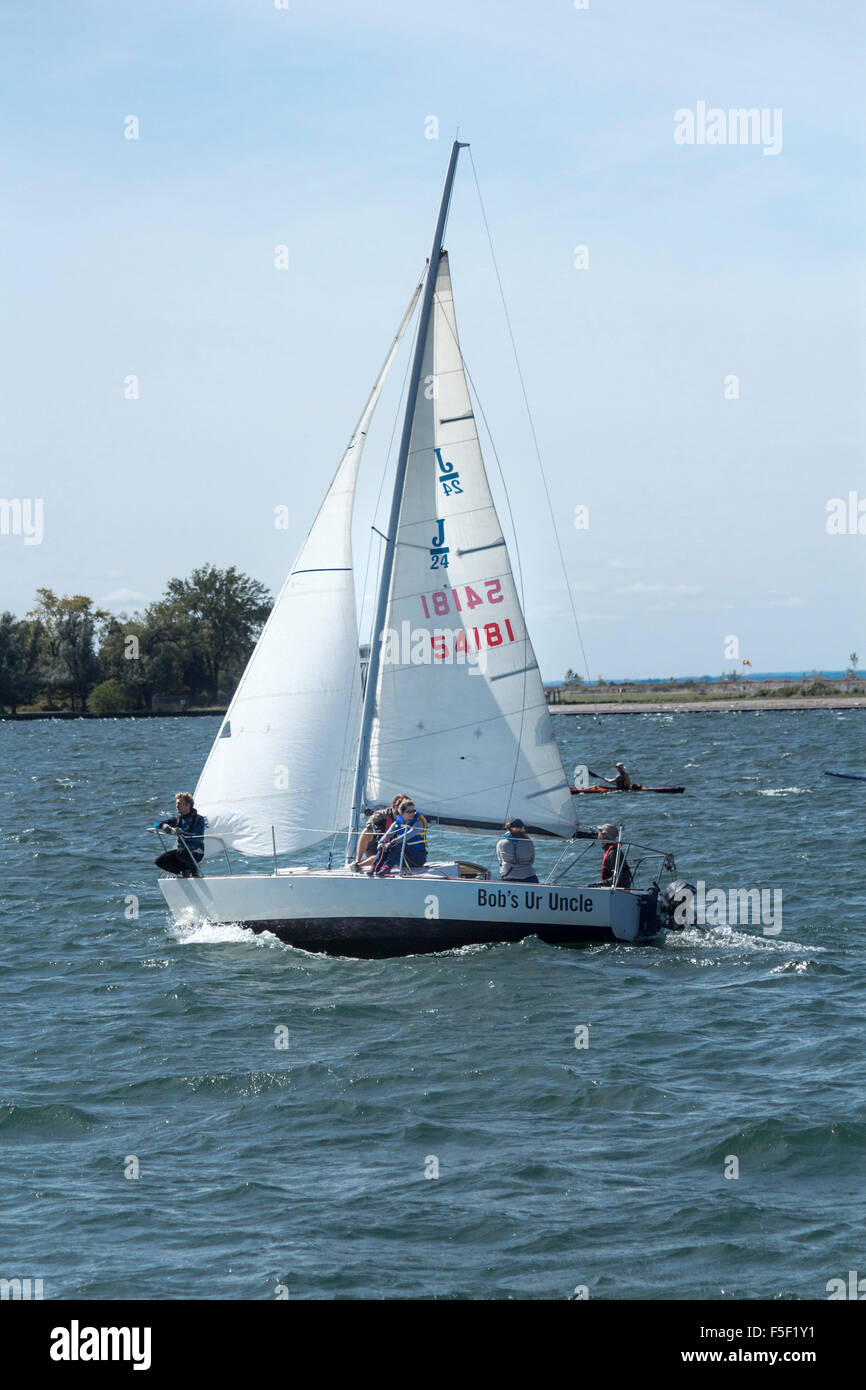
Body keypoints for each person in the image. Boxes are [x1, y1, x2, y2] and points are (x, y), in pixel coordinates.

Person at [153, 793, 206, 877]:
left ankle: (194, 868)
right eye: (176, 803)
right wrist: (164, 825)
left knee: (181, 853)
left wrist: (182, 833)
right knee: (159, 861)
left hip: (196, 851)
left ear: (188, 805)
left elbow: (198, 838)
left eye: (179, 803)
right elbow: (156, 823)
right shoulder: (177, 820)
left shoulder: (199, 819)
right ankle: (184, 870)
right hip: (181, 852)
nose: (177, 806)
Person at [370, 798, 428, 874]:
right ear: (402, 813)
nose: (413, 813)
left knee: (398, 845)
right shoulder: (397, 823)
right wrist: (381, 843)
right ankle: (374, 867)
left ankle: (387, 867)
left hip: (417, 859)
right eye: (409, 811)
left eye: (413, 811)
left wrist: (392, 842)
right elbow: (388, 834)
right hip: (403, 858)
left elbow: (408, 835)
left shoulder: (418, 823)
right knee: (383, 846)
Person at [354, 794, 409, 870]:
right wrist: (370, 824)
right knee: (367, 831)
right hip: (377, 845)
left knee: (387, 851)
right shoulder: (382, 814)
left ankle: (359, 865)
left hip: (391, 848)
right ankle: (358, 861)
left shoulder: (408, 818)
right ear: (394, 807)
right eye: (398, 812)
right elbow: (372, 820)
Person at [496, 818, 538, 883]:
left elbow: (501, 861)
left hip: (508, 877)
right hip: (528, 877)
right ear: (523, 828)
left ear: (508, 828)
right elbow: (531, 861)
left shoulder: (501, 843)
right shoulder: (529, 843)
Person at [593, 822, 632, 889]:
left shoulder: (613, 853)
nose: (598, 833)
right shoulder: (611, 851)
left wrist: (598, 885)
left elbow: (618, 878)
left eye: (600, 831)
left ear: (604, 836)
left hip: (617, 891)